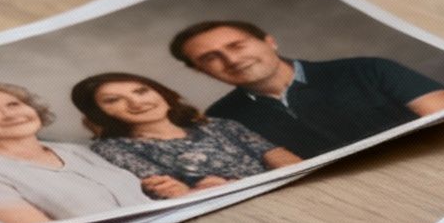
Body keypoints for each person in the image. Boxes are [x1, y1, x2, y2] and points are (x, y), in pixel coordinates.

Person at [170, 20, 444, 159]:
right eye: (210, 58)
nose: (231, 60)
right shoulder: (222, 120)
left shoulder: (368, 69)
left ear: (269, 41)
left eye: (236, 45)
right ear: (200, 70)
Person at [0, 81, 180, 223]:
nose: (11, 114)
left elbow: (135, 197)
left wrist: (168, 190)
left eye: (14, 104)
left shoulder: (76, 150)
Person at [70, 72, 301, 189]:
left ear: (162, 94)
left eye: (141, 92)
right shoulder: (111, 148)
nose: (136, 103)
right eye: (113, 100)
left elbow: (278, 157)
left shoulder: (219, 125)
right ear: (99, 113)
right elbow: (170, 189)